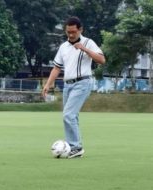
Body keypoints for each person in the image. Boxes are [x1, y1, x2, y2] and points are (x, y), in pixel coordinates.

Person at [42, 16, 105, 158]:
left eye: (73, 32)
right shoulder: (63, 47)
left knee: (68, 115)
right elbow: (56, 68)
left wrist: (84, 49)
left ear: (80, 30)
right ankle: (73, 146)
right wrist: (48, 84)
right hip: (67, 85)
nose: (70, 35)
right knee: (71, 116)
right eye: (68, 32)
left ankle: (76, 147)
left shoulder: (88, 42)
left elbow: (101, 60)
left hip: (83, 82)